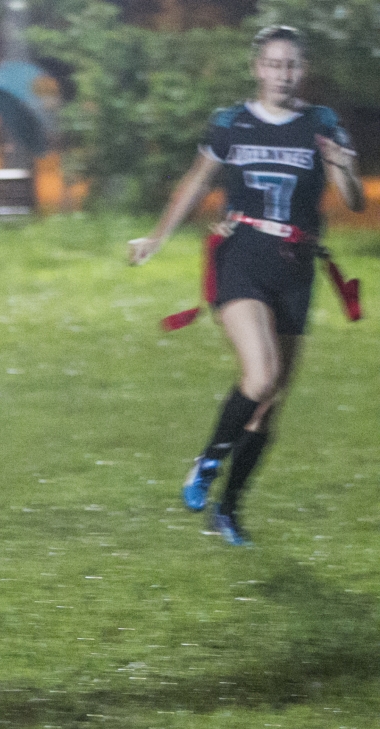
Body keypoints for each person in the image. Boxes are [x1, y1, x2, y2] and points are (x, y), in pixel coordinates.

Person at [129, 25, 364, 545]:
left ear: (303, 71)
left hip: (297, 265)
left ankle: (228, 511)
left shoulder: (321, 124)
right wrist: (158, 236)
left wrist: (342, 170)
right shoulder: (231, 122)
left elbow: (353, 200)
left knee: (269, 402)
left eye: (293, 65)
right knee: (260, 376)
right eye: (275, 64)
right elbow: (196, 181)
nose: (284, 74)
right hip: (242, 256)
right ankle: (206, 463)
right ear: (258, 68)